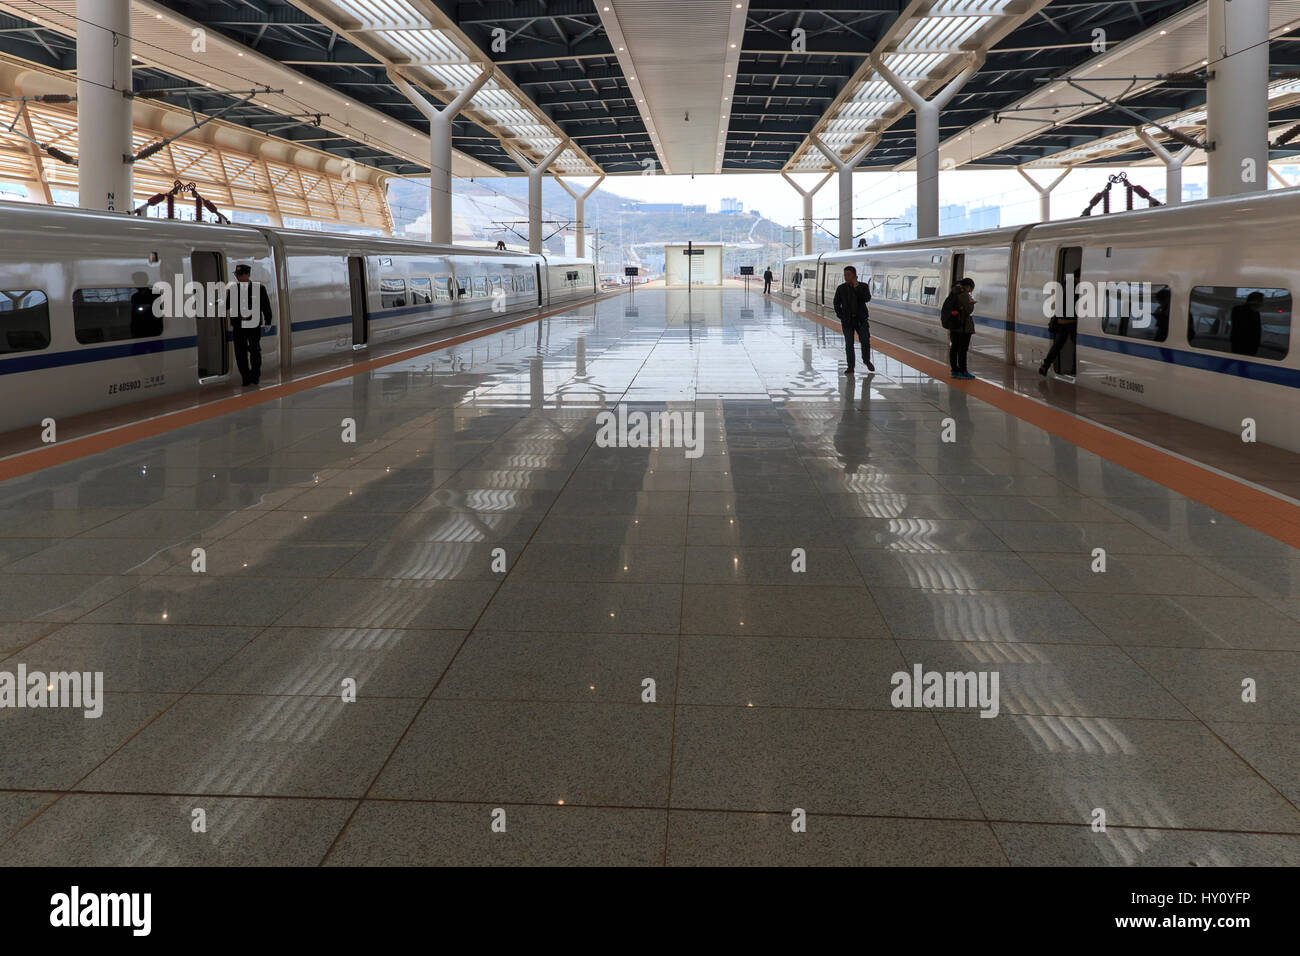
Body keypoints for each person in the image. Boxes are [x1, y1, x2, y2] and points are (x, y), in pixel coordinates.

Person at [227, 263, 272, 386]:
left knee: (254, 350)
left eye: (240, 274)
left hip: (253, 325)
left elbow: (265, 306)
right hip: (238, 325)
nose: (238, 277)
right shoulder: (233, 289)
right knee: (240, 353)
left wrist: (268, 321)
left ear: (248, 274)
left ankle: (255, 376)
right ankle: (245, 378)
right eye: (237, 274)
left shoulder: (259, 288)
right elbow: (227, 304)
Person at [832, 265, 874, 374]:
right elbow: (836, 303)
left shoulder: (863, 286)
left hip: (861, 320)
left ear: (855, 276)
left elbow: (866, 298)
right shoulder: (841, 288)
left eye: (848, 275)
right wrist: (840, 315)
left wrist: (857, 287)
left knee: (865, 340)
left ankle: (866, 360)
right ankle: (851, 366)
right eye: (845, 275)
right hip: (847, 321)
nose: (846, 277)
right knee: (849, 343)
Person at [1040, 269, 1080, 376]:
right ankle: (1074, 369)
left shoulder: (1063, 284)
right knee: (1078, 347)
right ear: (1077, 277)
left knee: (1057, 345)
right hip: (1071, 322)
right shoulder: (1074, 287)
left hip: (1060, 322)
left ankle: (1045, 365)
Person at [941, 278, 976, 379]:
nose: (970, 290)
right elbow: (969, 310)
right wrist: (972, 303)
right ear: (968, 286)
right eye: (971, 288)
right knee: (962, 350)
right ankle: (963, 371)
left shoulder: (954, 293)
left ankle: (955, 371)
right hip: (963, 327)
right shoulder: (964, 295)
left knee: (954, 348)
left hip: (954, 326)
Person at [1229, 291, 1263, 356]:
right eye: (1260, 301)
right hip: (1241, 345)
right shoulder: (1238, 309)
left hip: (1252, 347)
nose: (1261, 303)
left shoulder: (1256, 313)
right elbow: (1240, 327)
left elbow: (1257, 330)